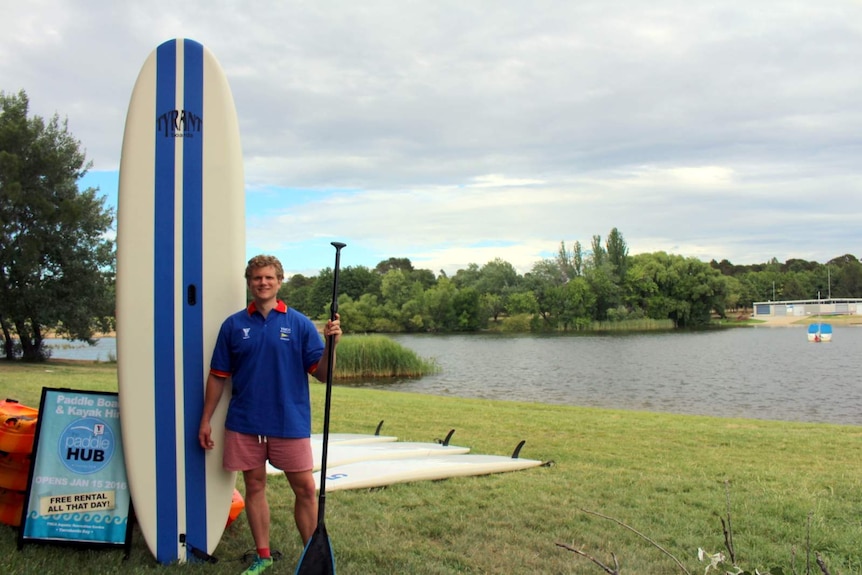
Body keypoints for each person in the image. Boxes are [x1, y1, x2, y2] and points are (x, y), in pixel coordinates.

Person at [198, 254, 342, 575]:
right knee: (255, 486)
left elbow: (321, 374)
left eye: (269, 278)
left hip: (288, 421)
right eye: (256, 278)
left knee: (305, 489)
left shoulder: (300, 324)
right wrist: (206, 419)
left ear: (279, 281)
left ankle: (311, 558)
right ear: (249, 283)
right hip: (245, 422)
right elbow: (218, 375)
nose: (262, 283)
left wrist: (332, 346)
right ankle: (263, 555)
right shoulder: (234, 325)